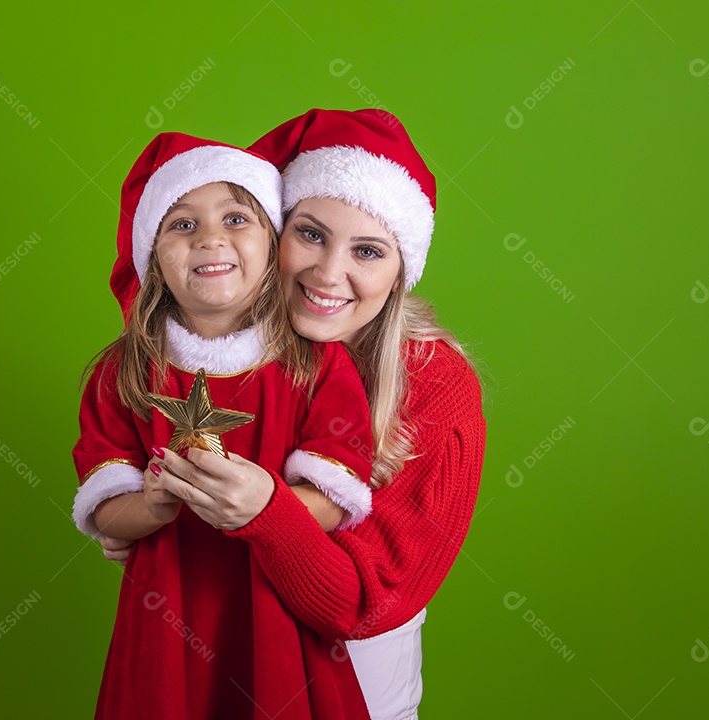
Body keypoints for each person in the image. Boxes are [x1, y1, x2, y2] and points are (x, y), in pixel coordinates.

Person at [122, 109, 487, 720]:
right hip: (211, 677)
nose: (327, 274)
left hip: (361, 693)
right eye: (310, 234)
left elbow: (363, 607)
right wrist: (136, 516)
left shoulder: (435, 385)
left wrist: (267, 514)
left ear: (400, 272)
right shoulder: (205, 350)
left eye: (367, 251)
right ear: (268, 233)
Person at [70, 131, 377, 719]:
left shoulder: (315, 365)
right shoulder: (124, 372)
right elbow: (105, 508)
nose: (210, 237)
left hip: (276, 610)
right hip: (166, 618)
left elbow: (337, 495)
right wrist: (153, 506)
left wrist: (264, 509)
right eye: (180, 224)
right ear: (152, 255)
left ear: (273, 245)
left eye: (237, 217)